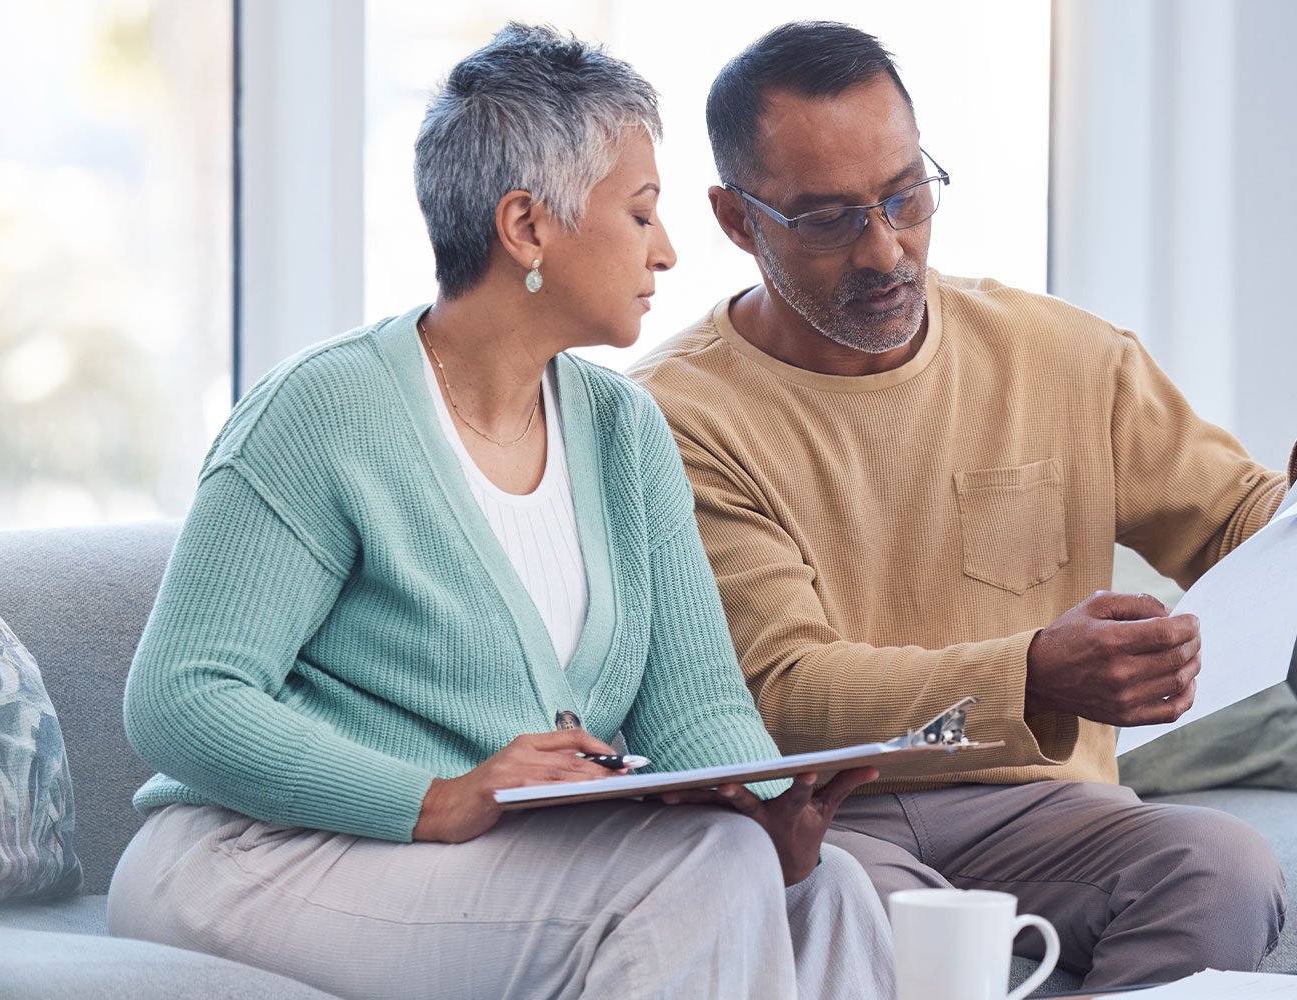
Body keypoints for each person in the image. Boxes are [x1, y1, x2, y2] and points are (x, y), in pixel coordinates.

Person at [106, 24, 892, 1000]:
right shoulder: (324, 411)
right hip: (260, 855)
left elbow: (693, 707)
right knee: (705, 870)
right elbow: (182, 697)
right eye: (640, 213)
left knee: (830, 890)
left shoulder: (623, 431)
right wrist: (436, 797)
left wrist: (772, 807)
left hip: (486, 862)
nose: (668, 251)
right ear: (526, 227)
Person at [630, 20, 1297, 990]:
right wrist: (1034, 674)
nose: (884, 249)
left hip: (1044, 809)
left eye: (904, 194)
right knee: (847, 915)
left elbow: (1238, 536)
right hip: (829, 816)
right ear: (736, 219)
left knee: (1225, 868)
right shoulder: (673, 416)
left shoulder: (1065, 356)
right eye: (827, 219)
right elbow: (786, 694)